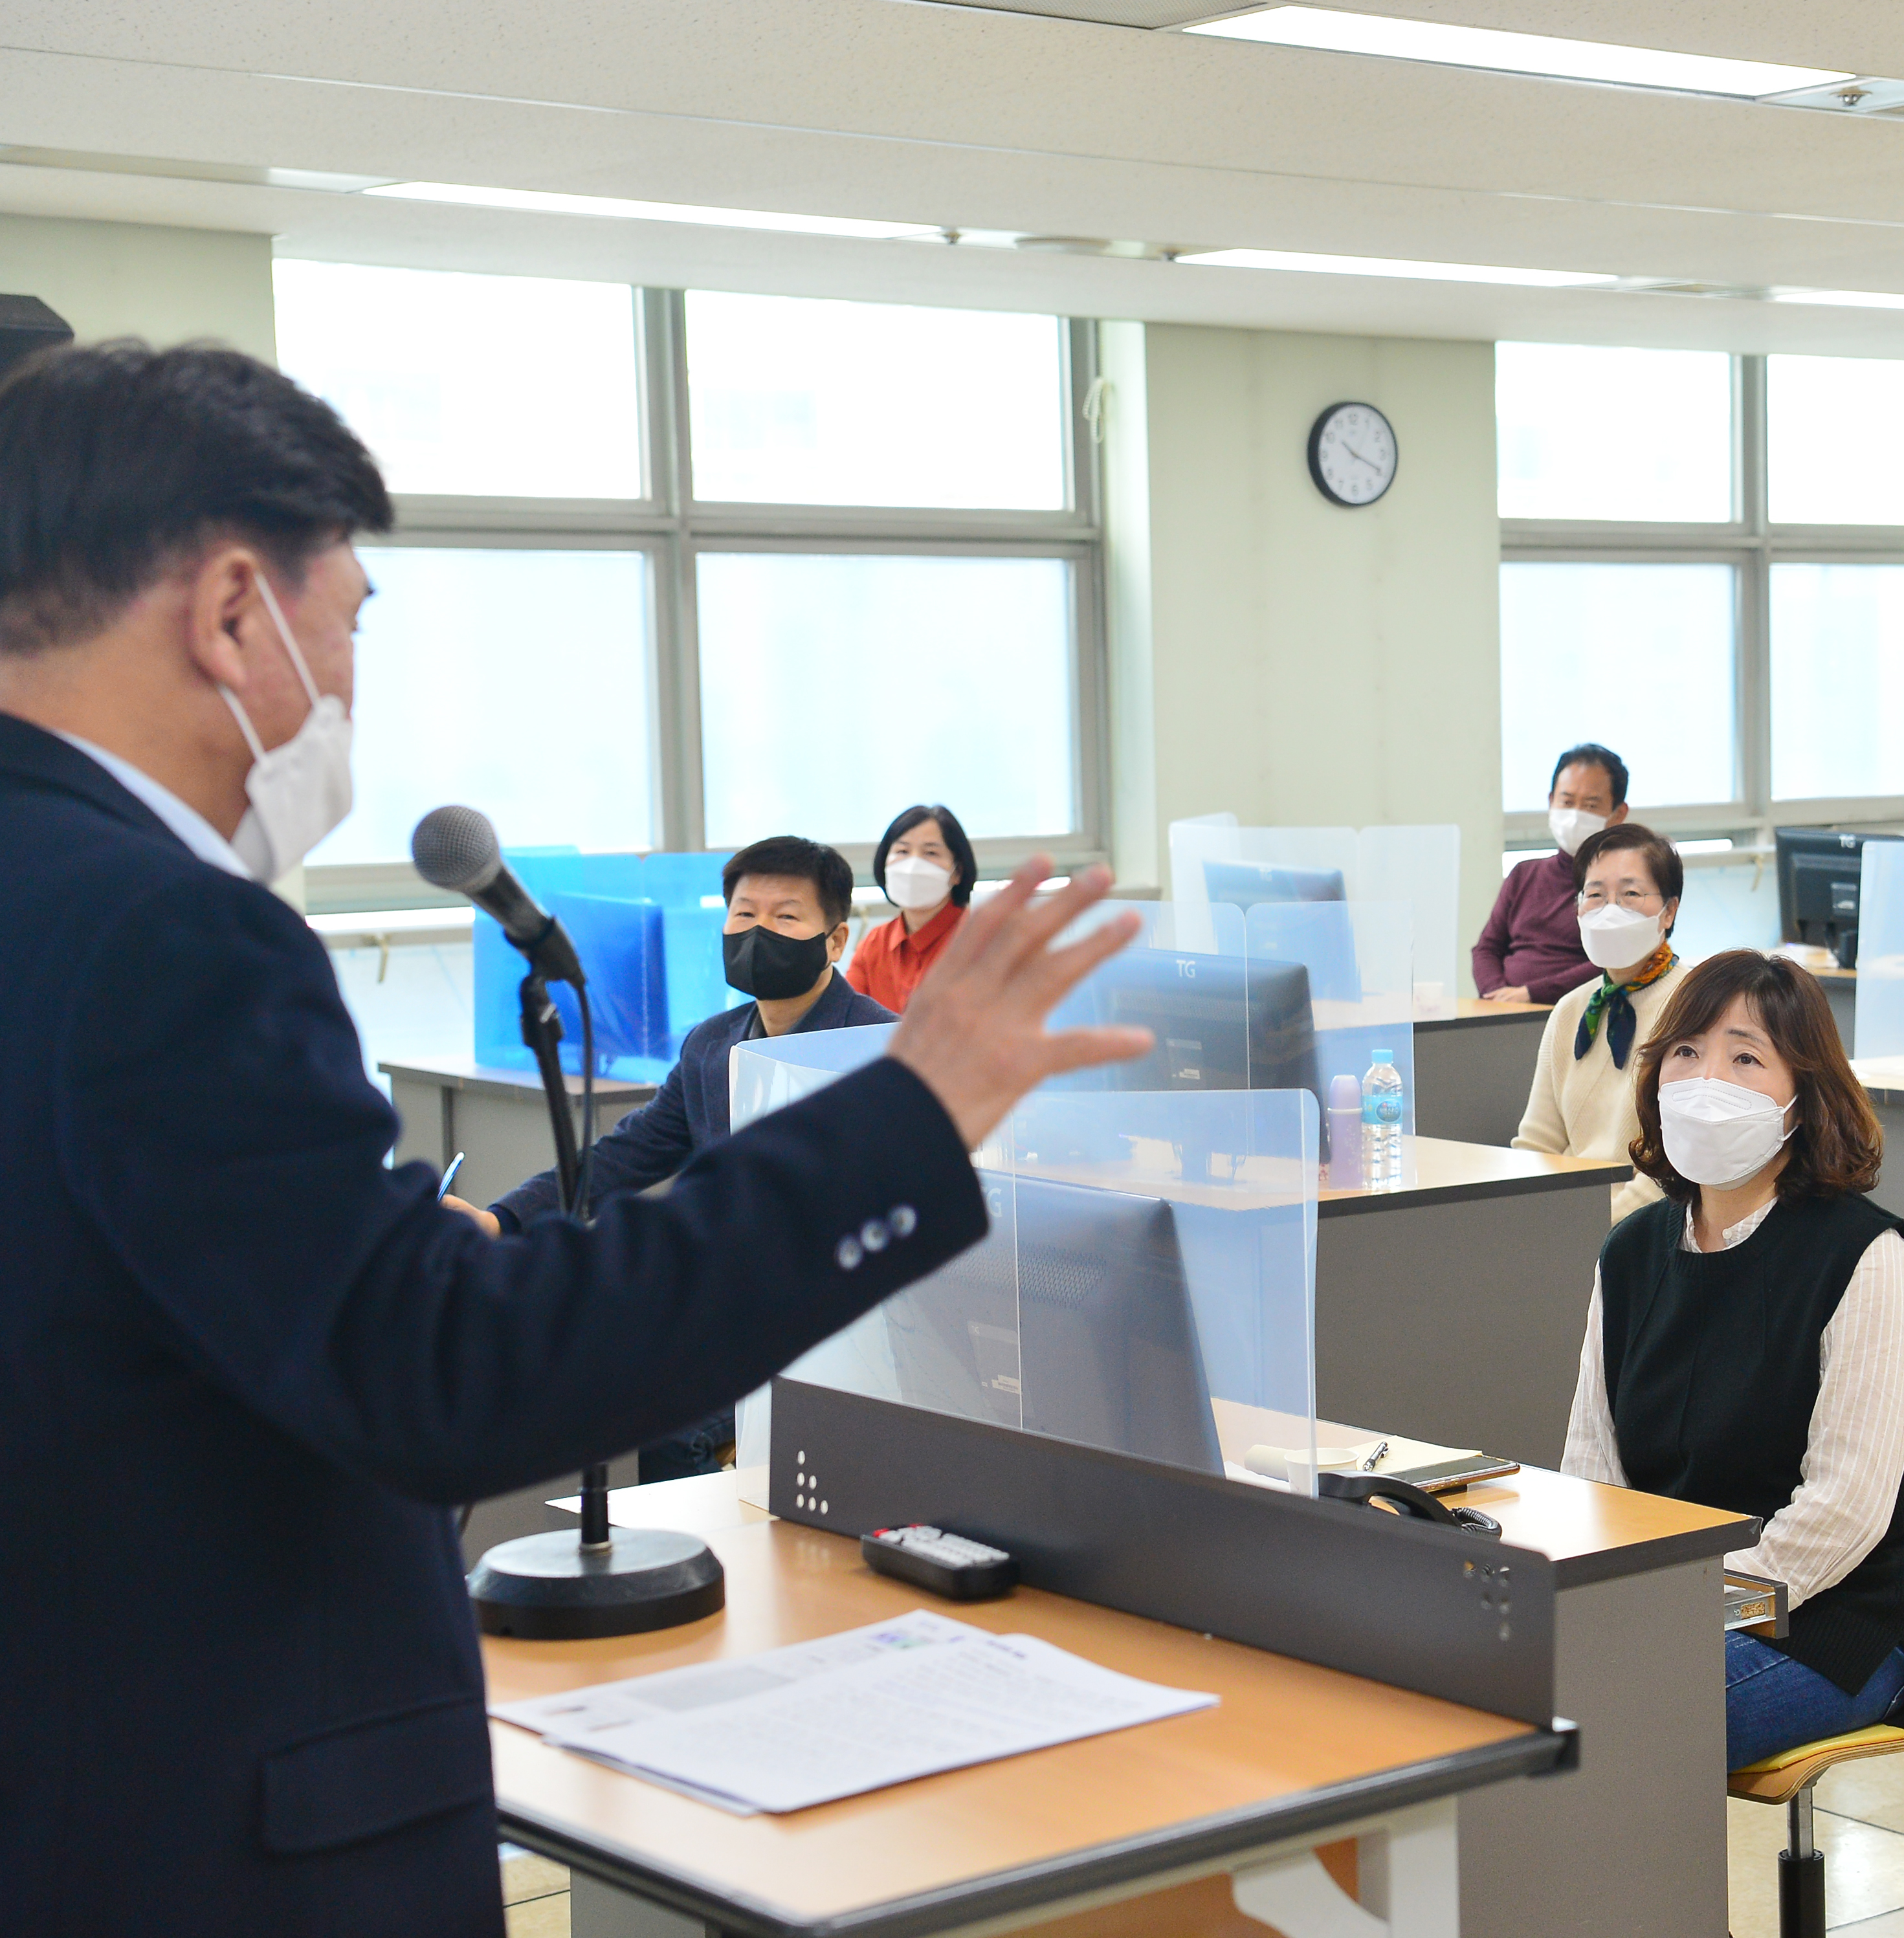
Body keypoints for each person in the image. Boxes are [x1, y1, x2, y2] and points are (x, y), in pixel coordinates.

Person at [0, 341, 1149, 1934]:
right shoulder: (164, 933)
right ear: (229, 613)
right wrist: (909, 1108)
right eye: (344, 630)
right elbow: (452, 1381)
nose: (341, 688)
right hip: (197, 1829)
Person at [1558, 951, 1904, 1770]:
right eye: (1687, 1053)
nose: (1709, 1079)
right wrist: (1622, 1602)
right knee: (1507, 1696)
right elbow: (1593, 1469)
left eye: (1746, 1057)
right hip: (1680, 1596)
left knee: (1618, 1726)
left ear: (1804, 1099)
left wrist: (1690, 1608)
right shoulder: (1630, 1252)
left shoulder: (1863, 1254)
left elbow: (1843, 1512)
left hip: (1844, 1614)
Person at [448, 836, 897, 1476]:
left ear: (835, 941)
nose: (758, 931)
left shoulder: (877, 1046)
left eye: (786, 916)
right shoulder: (711, 1045)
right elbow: (622, 1157)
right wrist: (501, 1220)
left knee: (673, 1429)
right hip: (733, 1313)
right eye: (743, 914)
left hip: (838, 1321)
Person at [1512, 823, 1691, 1223]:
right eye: (1595, 895)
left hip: (1644, 1228)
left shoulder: (1695, 1005)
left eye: (1631, 894)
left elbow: (1674, 1163)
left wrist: (1600, 1233)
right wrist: (1527, 1221)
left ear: (1669, 910)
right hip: (1565, 1223)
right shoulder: (1571, 1009)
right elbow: (1536, 1143)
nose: (1611, 910)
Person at [1474, 742, 1630, 1006]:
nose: (1575, 816)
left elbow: (1611, 962)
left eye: (1591, 806)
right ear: (1551, 801)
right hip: (1503, 1012)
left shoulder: (1624, 885)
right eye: (1567, 802)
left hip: (1578, 1013)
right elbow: (1486, 949)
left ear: (1618, 814)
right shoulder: (1524, 874)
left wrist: (1531, 994)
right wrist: (1498, 995)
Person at [847, 802, 976, 1013]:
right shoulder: (874, 945)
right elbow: (847, 1021)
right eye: (902, 851)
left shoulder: (981, 940)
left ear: (958, 872)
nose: (913, 865)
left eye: (931, 853)